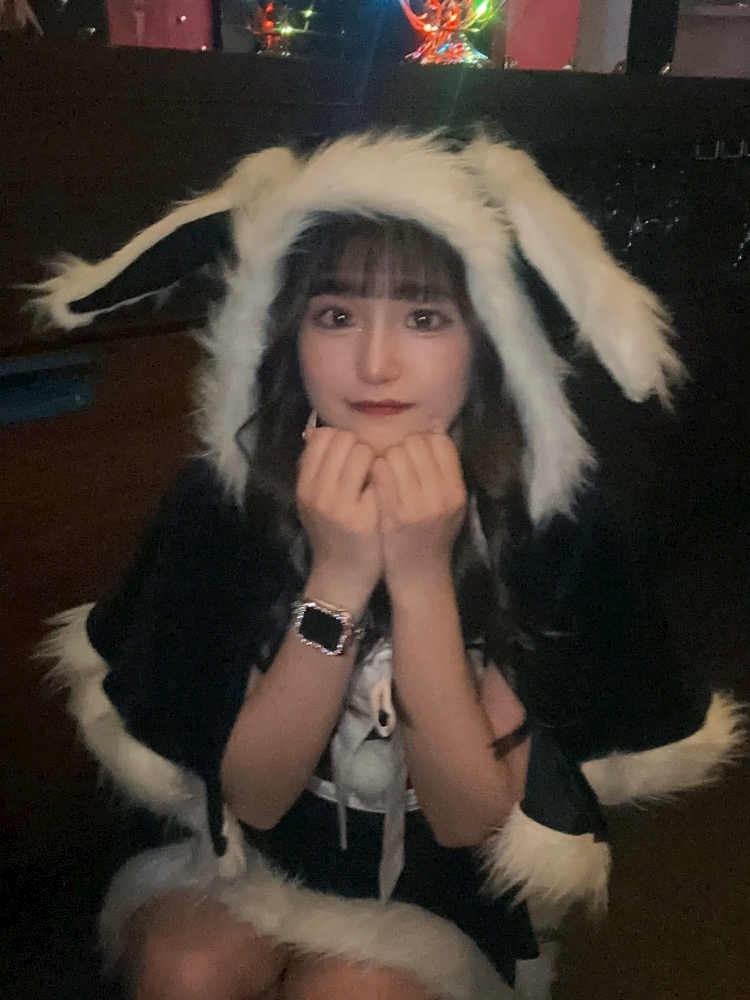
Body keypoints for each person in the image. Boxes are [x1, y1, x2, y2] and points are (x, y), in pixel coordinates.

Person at [35, 130, 743, 1000]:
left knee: (350, 990)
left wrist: (418, 576)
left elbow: (465, 818)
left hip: (436, 878)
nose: (375, 364)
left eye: (425, 317)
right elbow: (255, 797)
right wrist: (337, 574)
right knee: (186, 969)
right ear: (287, 330)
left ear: (488, 338)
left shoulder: (552, 528)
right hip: (250, 847)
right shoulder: (228, 499)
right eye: (335, 316)